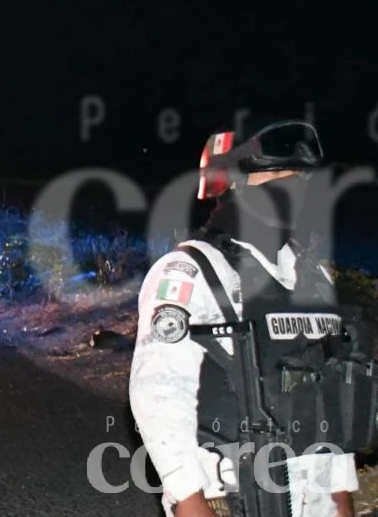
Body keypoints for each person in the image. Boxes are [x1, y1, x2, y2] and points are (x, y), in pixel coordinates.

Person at [129, 116, 367, 517]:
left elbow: (331, 397)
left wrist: (341, 495)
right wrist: (190, 501)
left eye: (304, 179)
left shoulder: (314, 275)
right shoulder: (191, 271)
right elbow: (159, 395)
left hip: (312, 494)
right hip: (230, 494)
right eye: (280, 176)